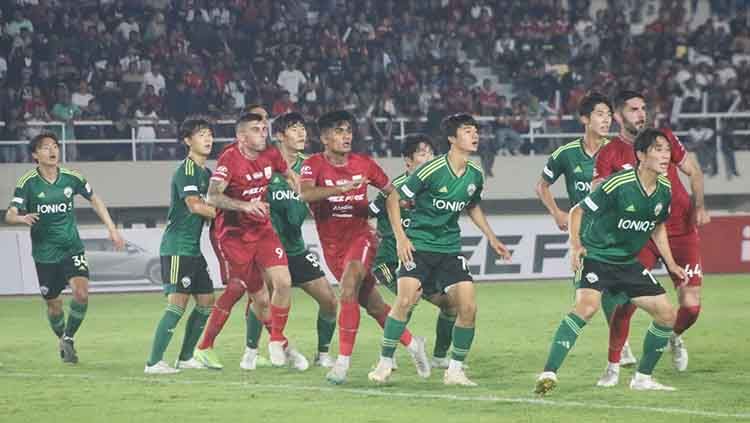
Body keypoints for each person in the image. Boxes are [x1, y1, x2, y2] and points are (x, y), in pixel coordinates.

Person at [535, 128, 688, 395]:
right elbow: (577, 210)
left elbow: (657, 227)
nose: (666, 156)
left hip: (627, 261)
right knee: (587, 307)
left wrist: (671, 264)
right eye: (659, 150)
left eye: (667, 150)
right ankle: (549, 373)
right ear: (641, 155)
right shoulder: (618, 183)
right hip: (596, 255)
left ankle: (642, 378)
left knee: (667, 314)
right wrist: (576, 247)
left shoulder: (665, 188)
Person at [368, 114, 512, 386]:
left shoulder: (475, 174)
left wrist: (492, 237)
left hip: (449, 248)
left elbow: (472, 206)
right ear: (452, 138)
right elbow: (394, 199)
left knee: (467, 307)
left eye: (475, 131)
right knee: (405, 301)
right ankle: (385, 361)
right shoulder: (431, 170)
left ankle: (454, 370)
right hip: (419, 247)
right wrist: (401, 238)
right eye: (467, 131)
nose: (475, 135)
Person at [300, 110, 429, 385]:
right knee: (372, 305)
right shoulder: (313, 165)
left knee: (347, 287)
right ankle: (413, 344)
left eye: (348, 130)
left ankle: (342, 364)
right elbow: (306, 194)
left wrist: (399, 220)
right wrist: (340, 189)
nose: (346, 136)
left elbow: (390, 191)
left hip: (361, 237)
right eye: (338, 131)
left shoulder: (364, 164)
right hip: (332, 245)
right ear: (324, 137)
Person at [593, 91, 710, 386]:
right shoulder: (609, 153)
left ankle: (672, 336)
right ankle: (613, 366)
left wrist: (699, 207)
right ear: (619, 116)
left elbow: (693, 171)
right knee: (626, 302)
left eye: (643, 108)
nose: (641, 114)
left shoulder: (664, 138)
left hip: (682, 231)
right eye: (633, 109)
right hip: (641, 234)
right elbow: (596, 190)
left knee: (692, 307)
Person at [535, 92, 638, 369]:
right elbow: (541, 186)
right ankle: (618, 348)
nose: (606, 120)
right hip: (584, 236)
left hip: (616, 235)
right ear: (585, 118)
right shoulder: (566, 154)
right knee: (590, 297)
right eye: (600, 114)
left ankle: (623, 342)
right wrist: (556, 212)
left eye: (608, 114)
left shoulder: (618, 150)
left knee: (623, 297)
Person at [5, 132, 125, 363]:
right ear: (35, 155)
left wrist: (112, 228)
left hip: (72, 247)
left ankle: (69, 337)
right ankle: (63, 338)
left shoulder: (72, 177)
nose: (52, 151)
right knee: (54, 304)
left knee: (81, 293)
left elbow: (94, 199)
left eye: (55, 146)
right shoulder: (28, 183)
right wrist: (21, 218)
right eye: (45, 147)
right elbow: (10, 214)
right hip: (45, 254)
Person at [192, 112, 300, 369]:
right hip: (233, 237)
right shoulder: (230, 159)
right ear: (241, 136)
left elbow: (288, 175)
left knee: (283, 282)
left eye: (264, 128)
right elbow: (212, 196)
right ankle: (207, 347)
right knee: (258, 298)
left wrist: (300, 189)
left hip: (263, 230)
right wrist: (245, 206)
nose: (263, 132)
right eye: (256, 129)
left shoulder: (271, 153)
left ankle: (275, 341)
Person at [240, 112, 338, 371]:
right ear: (280, 136)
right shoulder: (263, 164)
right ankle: (251, 350)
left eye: (303, 129)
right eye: (294, 129)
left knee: (329, 300)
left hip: (295, 248)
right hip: (268, 247)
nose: (302, 134)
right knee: (264, 298)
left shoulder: (311, 165)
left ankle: (324, 354)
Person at [369, 133, 458, 369]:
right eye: (421, 153)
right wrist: (371, 230)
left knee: (451, 304)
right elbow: (367, 213)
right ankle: (388, 354)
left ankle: (439, 357)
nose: (428, 157)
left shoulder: (435, 189)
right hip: (388, 261)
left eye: (430, 152)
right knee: (407, 299)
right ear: (408, 161)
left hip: (421, 263)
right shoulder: (393, 190)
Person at [144, 117, 217, 374]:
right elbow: (195, 206)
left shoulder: (206, 173)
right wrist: (231, 214)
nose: (208, 139)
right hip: (177, 248)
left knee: (207, 302)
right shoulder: (185, 170)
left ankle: (185, 358)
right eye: (201, 135)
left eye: (209, 134)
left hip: (193, 250)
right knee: (177, 304)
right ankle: (153, 362)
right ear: (187, 141)